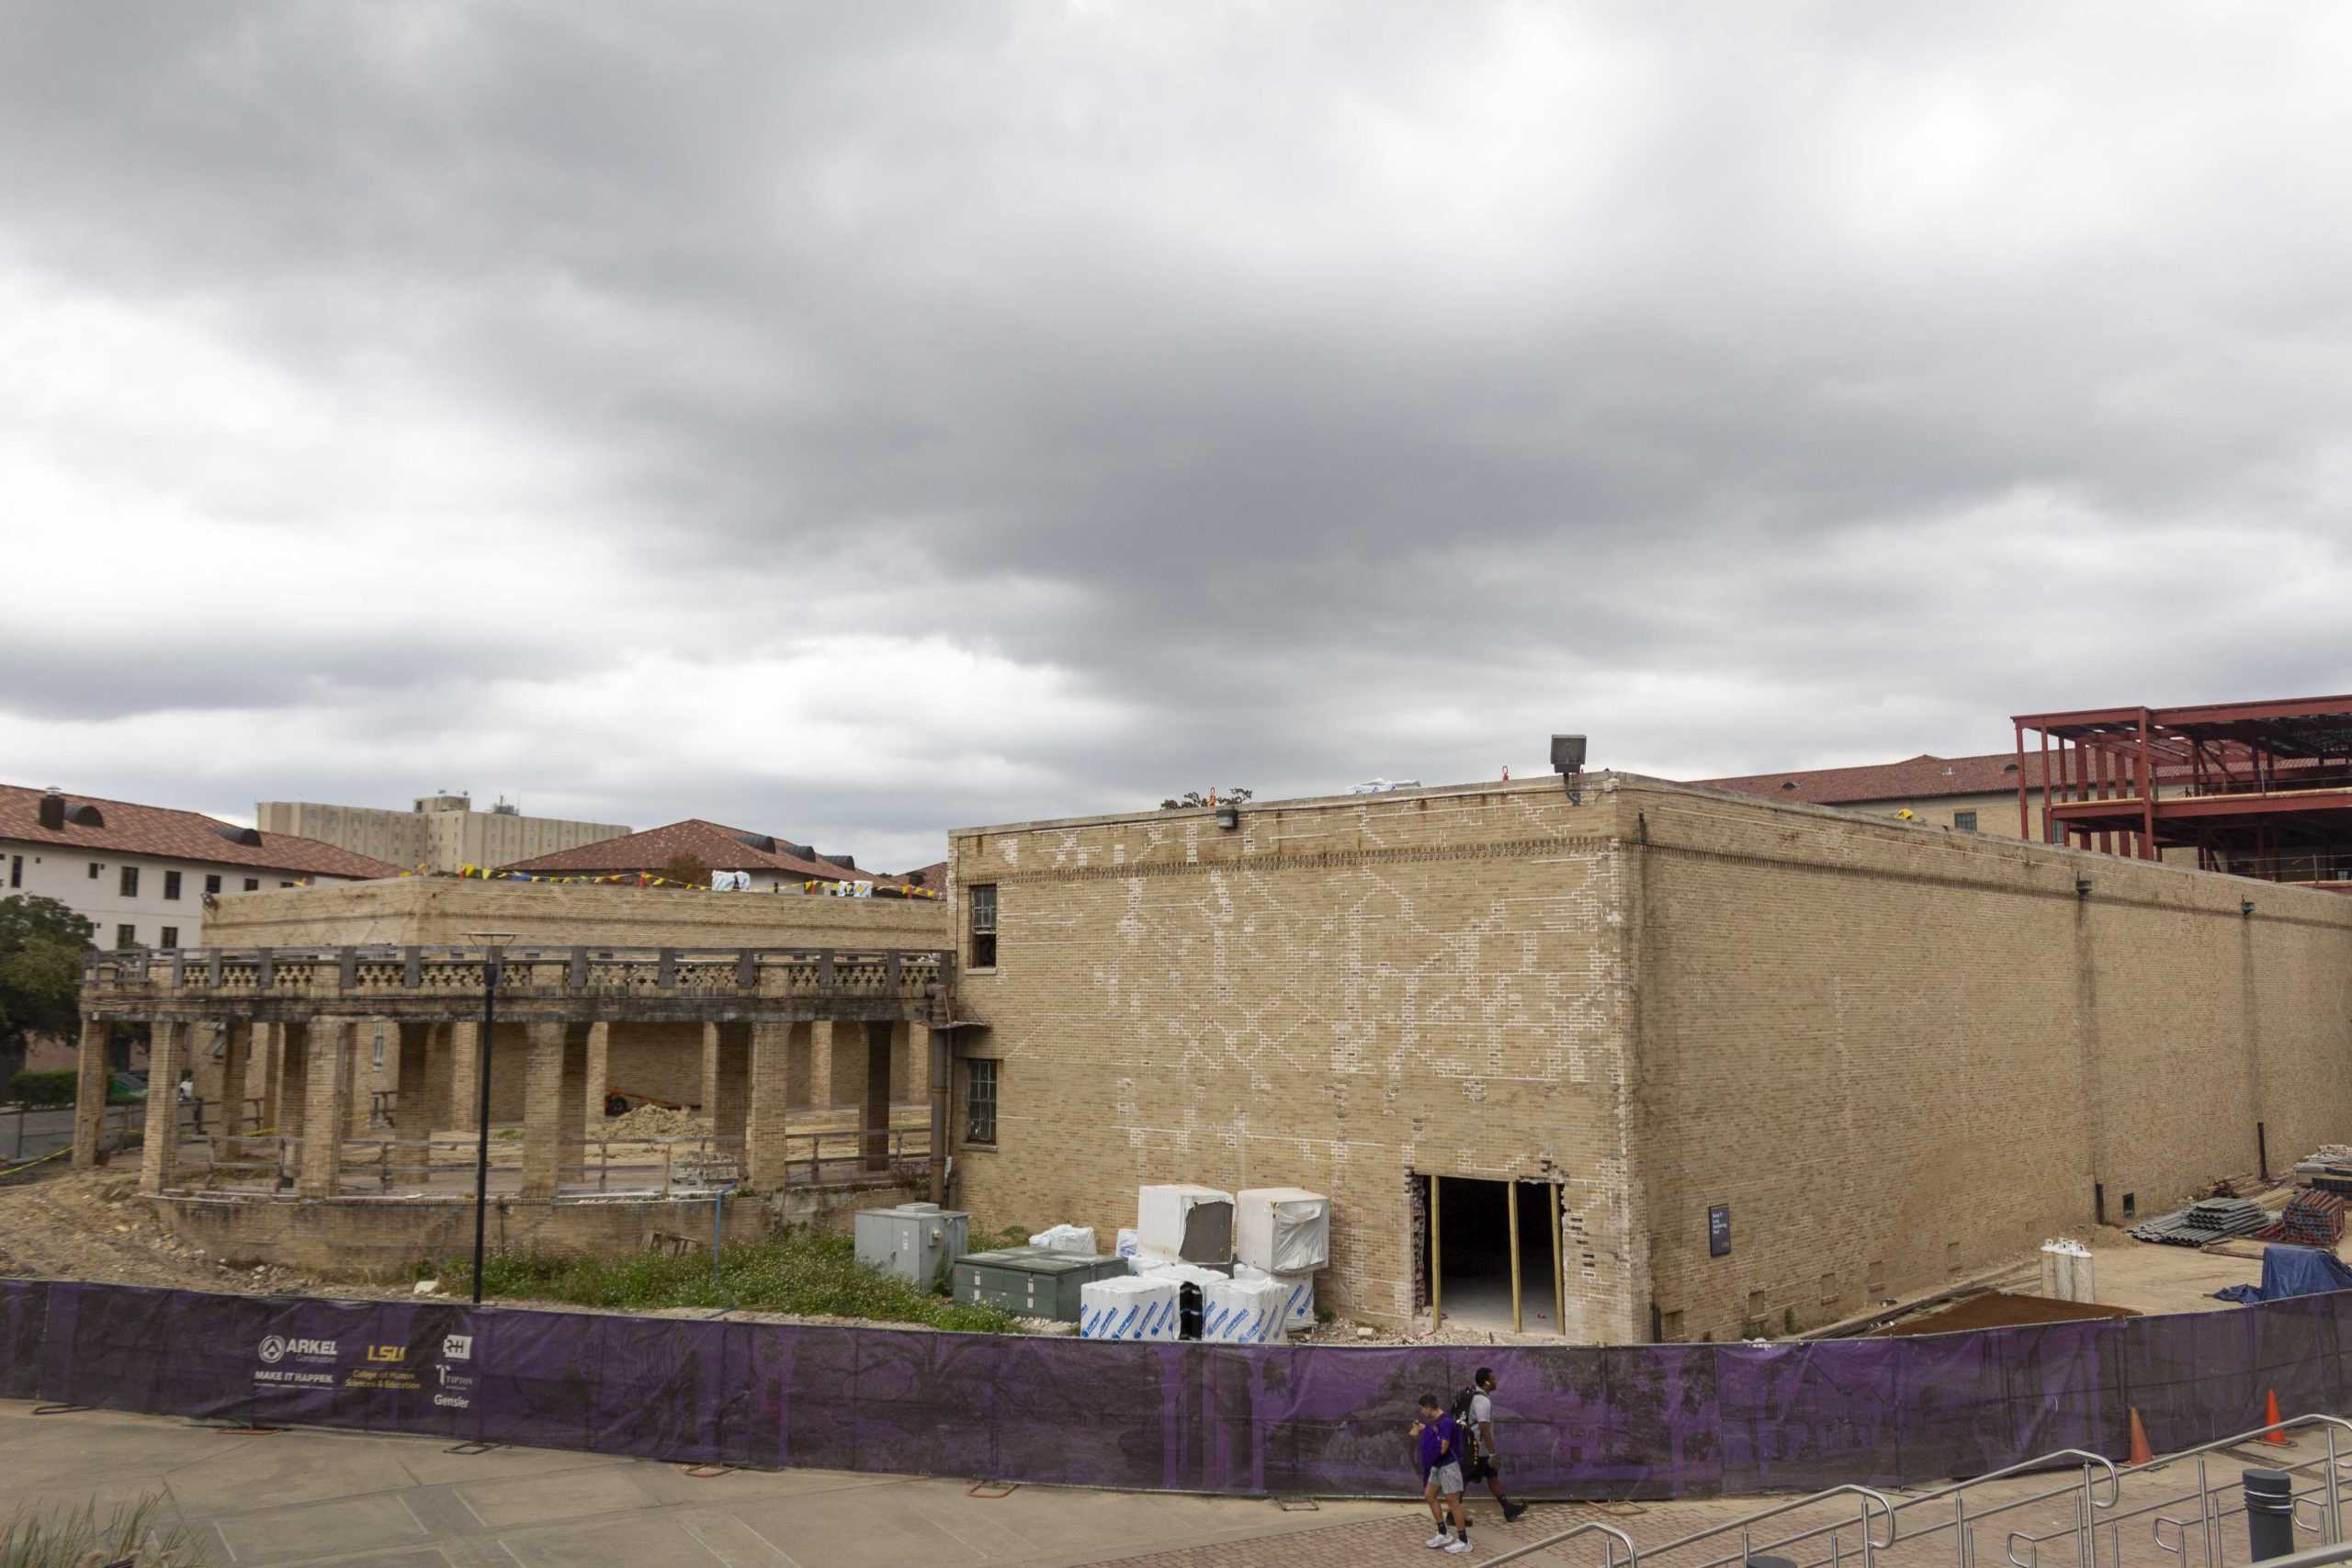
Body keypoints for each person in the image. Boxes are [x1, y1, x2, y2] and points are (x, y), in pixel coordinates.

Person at [1409, 1393, 1473, 1553]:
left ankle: (1464, 1541)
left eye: (1422, 1409)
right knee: (1429, 1495)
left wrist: (1427, 1433)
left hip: (1448, 1467)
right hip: (1438, 1466)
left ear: (1429, 1407)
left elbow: (1442, 1448)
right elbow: (1435, 1437)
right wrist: (1424, 1429)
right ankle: (1443, 1533)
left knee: (1453, 1503)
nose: (1422, 1412)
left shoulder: (1446, 1422)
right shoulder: (1436, 1422)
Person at [1465, 1366, 1528, 1523]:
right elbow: (1484, 1427)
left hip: (1481, 1449)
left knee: (1492, 1477)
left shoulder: (1480, 1398)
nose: (1496, 1381)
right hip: (1478, 1450)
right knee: (1464, 1481)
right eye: (1493, 1379)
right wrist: (1493, 1453)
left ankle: (1508, 1509)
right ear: (1487, 1382)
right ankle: (1453, 1514)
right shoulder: (1482, 1401)